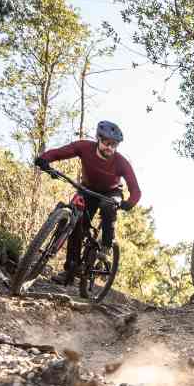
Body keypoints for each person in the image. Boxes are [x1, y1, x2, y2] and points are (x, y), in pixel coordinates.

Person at [33, 121, 141, 284]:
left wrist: (129, 203)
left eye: (114, 145)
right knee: (76, 224)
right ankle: (70, 271)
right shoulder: (84, 147)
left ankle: (106, 245)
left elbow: (136, 190)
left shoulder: (121, 162)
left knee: (108, 205)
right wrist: (43, 159)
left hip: (111, 192)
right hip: (87, 189)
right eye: (106, 143)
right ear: (98, 139)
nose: (109, 148)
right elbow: (59, 153)